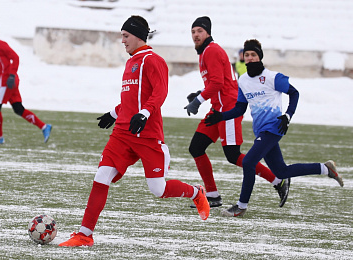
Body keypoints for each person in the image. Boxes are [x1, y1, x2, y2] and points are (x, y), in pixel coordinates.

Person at [58, 15, 210, 247]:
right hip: (122, 133)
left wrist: (145, 114)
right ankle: (84, 234)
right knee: (101, 177)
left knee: (158, 189)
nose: (122, 41)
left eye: (126, 36)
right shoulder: (130, 62)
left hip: (147, 135)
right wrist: (114, 113)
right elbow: (131, 99)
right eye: (122, 36)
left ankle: (195, 192)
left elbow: (159, 93)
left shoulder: (153, 60)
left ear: (138, 35)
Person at [204, 39, 344, 217]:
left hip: (274, 127)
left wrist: (287, 115)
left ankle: (241, 206)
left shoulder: (272, 77)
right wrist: (221, 116)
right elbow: (240, 108)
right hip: (261, 130)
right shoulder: (244, 81)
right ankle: (325, 168)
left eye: (253, 54)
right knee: (281, 171)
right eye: (247, 55)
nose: (250, 58)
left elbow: (294, 93)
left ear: (260, 57)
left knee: (248, 162)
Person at [184, 16, 290, 209]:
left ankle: (278, 180)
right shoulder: (205, 52)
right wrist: (199, 93)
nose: (196, 35)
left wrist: (198, 101)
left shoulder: (211, 51)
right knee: (196, 147)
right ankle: (213, 195)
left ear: (207, 32)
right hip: (218, 107)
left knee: (233, 155)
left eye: (199, 31)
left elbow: (218, 83)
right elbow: (219, 81)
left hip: (228, 108)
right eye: (193, 32)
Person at [0, 23, 52, 144]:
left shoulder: (1, 44)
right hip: (7, 80)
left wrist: (12, 75)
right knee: (18, 109)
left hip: (7, 81)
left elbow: (15, 57)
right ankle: (44, 127)